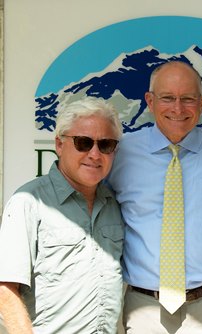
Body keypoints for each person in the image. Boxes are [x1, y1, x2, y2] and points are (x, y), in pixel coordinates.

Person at [106, 61, 202, 334]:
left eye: (188, 99)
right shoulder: (122, 154)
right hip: (145, 307)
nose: (178, 109)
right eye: (167, 98)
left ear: (201, 103)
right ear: (150, 101)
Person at [0, 97, 124, 333]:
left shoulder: (113, 204)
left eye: (105, 145)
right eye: (83, 142)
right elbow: (5, 289)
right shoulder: (28, 202)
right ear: (59, 144)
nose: (95, 154)